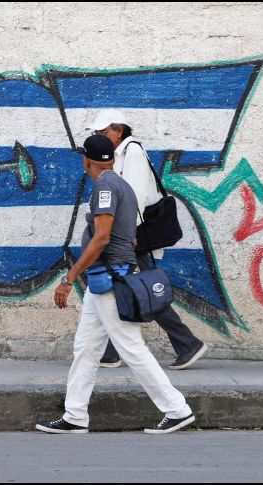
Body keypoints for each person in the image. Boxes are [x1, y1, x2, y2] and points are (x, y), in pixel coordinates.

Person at [35, 135, 195, 435]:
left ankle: (177, 409)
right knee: (85, 347)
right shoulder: (123, 185)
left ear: (86, 161)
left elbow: (102, 237)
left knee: (132, 348)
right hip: (104, 280)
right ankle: (75, 415)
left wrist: (69, 278)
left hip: (110, 278)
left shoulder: (105, 187)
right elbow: (131, 236)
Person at [90, 109, 208, 371]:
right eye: (97, 132)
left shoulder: (132, 153)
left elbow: (135, 197)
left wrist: (127, 235)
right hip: (126, 235)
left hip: (132, 236)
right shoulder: (120, 154)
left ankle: (187, 343)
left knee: (140, 288)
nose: (100, 136)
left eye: (103, 131)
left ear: (118, 130)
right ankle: (111, 351)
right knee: (121, 286)